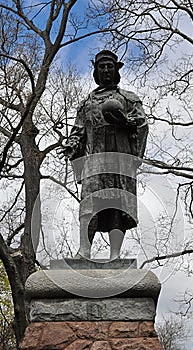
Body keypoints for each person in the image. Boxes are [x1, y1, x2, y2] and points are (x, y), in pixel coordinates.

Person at [63, 50, 148, 260]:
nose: (106, 70)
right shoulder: (87, 104)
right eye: (102, 67)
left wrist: (125, 122)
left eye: (110, 66)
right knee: (89, 203)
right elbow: (79, 131)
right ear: (96, 71)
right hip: (95, 160)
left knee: (117, 205)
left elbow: (142, 124)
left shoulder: (129, 99)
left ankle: (115, 254)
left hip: (120, 160)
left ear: (116, 69)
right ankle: (84, 251)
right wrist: (72, 146)